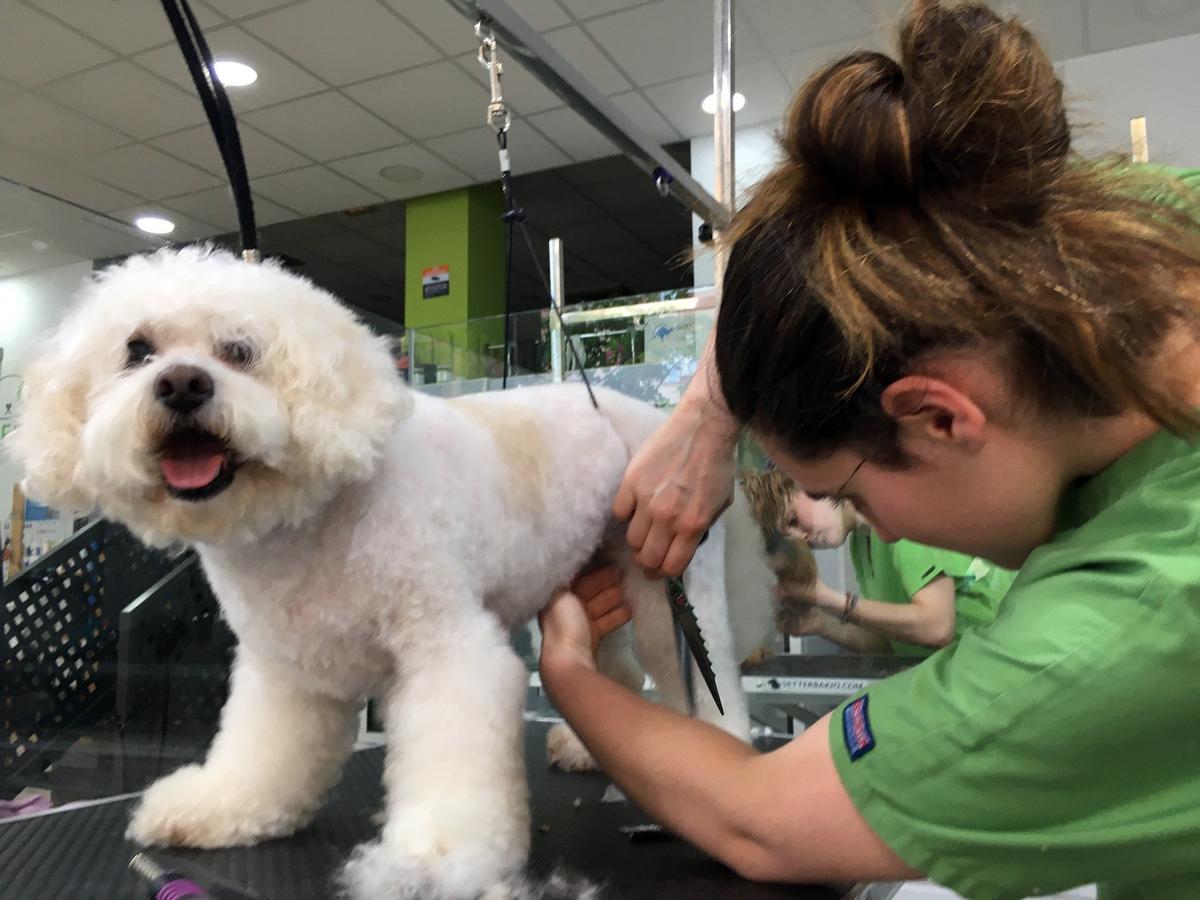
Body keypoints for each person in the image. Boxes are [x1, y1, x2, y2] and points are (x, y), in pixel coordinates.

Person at [536, 2, 1200, 898]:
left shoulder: (1132, 620)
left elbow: (757, 819)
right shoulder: (1114, 236)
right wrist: (708, 412)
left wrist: (570, 673)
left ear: (938, 417)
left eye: (849, 495)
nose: (862, 520)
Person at [779, 490, 1015, 656]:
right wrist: (821, 625)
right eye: (790, 537)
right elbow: (890, 642)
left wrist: (827, 599)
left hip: (998, 659)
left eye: (794, 519)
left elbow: (937, 627)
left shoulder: (900, 520)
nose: (802, 538)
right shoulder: (861, 545)